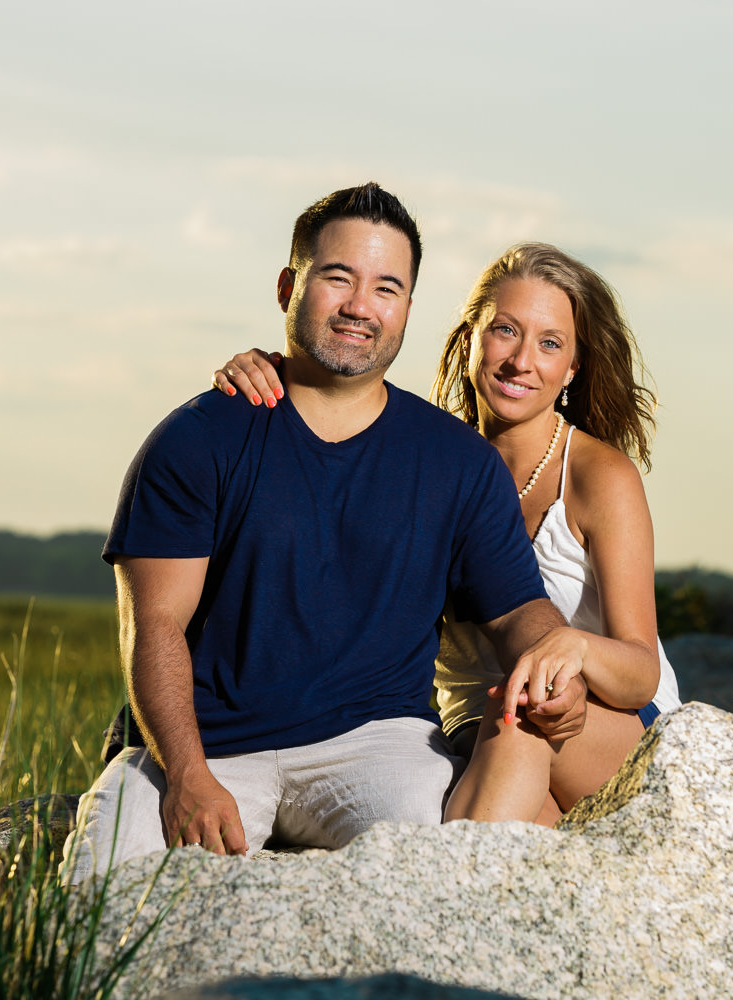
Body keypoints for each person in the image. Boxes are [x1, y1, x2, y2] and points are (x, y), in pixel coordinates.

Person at [59, 186, 595, 883]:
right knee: (99, 893)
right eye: (337, 277)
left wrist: (554, 665)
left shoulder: (458, 463)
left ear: (407, 306)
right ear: (289, 286)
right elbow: (154, 624)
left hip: (377, 744)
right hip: (208, 744)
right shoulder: (197, 439)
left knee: (446, 881)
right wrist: (187, 773)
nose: (359, 306)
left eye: (387, 287)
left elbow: (517, 609)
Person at [214, 242, 680, 827]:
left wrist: (575, 648)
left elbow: (642, 673)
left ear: (574, 368)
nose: (521, 361)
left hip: (600, 724)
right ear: (469, 340)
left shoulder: (598, 477)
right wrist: (277, 372)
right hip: (473, 727)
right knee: (525, 829)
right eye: (505, 331)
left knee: (523, 713)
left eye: (551, 343)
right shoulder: (432, 458)